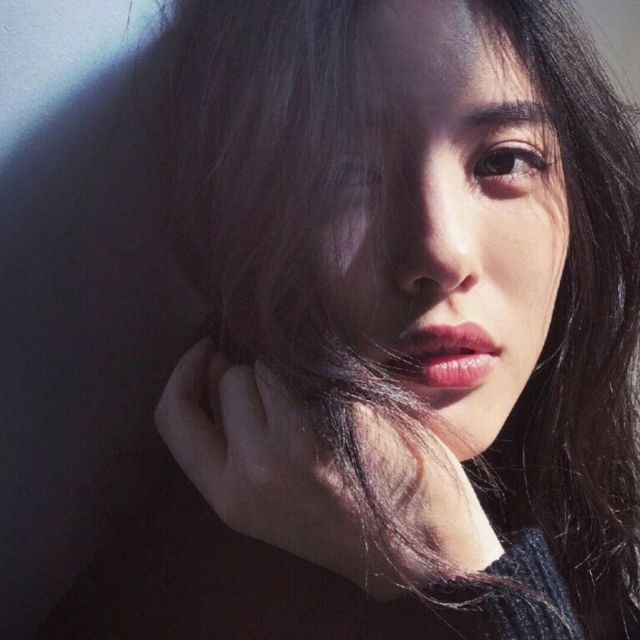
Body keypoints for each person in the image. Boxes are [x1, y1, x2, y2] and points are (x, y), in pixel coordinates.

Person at [39, 1, 640, 638]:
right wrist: (463, 579)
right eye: (343, 170)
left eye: (503, 161)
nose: (442, 253)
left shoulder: (585, 521)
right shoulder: (155, 608)